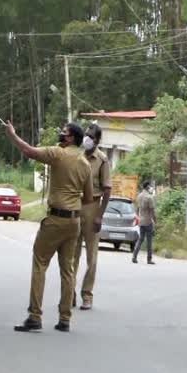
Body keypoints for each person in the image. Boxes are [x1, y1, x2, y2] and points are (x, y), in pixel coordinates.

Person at [4, 121, 92, 333]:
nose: (60, 134)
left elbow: (28, 151)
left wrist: (12, 135)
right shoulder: (86, 164)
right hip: (74, 222)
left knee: (40, 264)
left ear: (71, 138)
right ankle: (65, 319)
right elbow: (88, 198)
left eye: (64, 132)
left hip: (55, 220)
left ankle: (35, 316)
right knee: (67, 270)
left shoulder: (57, 153)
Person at [72, 123, 111, 311]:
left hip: (93, 206)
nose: (87, 138)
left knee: (91, 257)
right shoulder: (77, 156)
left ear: (97, 140)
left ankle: (87, 295)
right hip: (74, 206)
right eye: (86, 134)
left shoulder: (102, 160)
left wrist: (99, 216)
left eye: (91, 136)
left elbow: (107, 190)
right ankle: (69, 292)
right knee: (72, 254)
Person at [133, 181, 156, 265]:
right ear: (147, 187)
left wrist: (138, 218)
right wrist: (155, 220)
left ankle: (134, 256)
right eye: (150, 186)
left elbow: (136, 209)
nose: (151, 187)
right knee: (149, 241)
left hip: (141, 221)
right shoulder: (149, 197)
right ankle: (149, 259)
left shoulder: (139, 196)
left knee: (140, 239)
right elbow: (152, 211)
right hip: (148, 221)